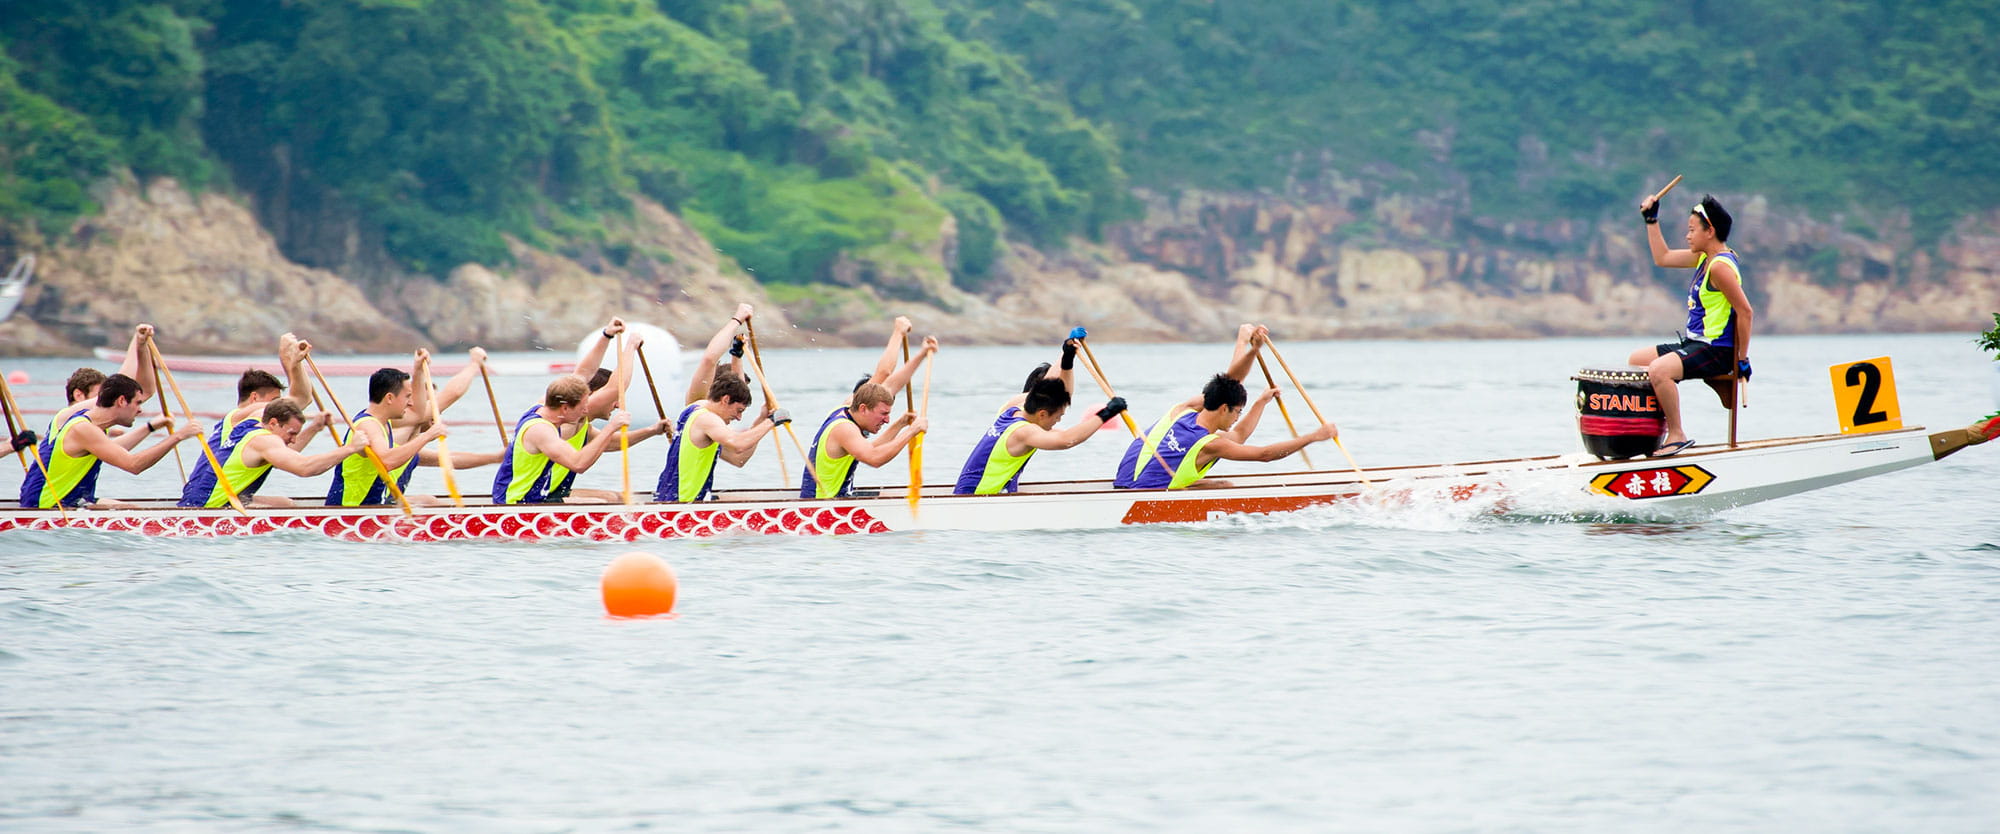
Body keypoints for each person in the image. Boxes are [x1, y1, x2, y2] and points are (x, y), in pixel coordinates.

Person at [1628, 192, 1755, 456]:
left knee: (1659, 370)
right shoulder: (1702, 258)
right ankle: (1650, 434)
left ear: (1710, 231)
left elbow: (1745, 312)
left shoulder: (1720, 266)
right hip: (1696, 344)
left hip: (1716, 349)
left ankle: (1676, 435)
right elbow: (1662, 258)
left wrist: (1742, 359)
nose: (1687, 236)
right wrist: (1651, 220)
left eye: (1691, 230)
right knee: (1637, 360)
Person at [1114, 374, 1337, 490]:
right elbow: (1265, 455)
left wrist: (1261, 402)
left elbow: (1239, 435)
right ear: (1223, 408)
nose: (1238, 417)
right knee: (1225, 489)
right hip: (1142, 494)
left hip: (1121, 483)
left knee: (1224, 485)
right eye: (1238, 412)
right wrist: (1314, 437)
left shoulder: (1181, 410)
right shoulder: (1210, 444)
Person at [798, 317, 936, 499]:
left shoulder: (849, 406)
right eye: (884, 414)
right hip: (820, 509)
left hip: (833, 502)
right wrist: (912, 431)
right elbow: (874, 458)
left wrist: (921, 354)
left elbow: (890, 382)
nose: (886, 420)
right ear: (863, 408)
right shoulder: (845, 428)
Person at [19, 373, 200, 509]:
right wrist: (178, 436)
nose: (140, 410)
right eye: (138, 403)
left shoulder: (92, 423)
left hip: (71, 501)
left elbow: (115, 451)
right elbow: (134, 465)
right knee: (135, 513)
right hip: (47, 505)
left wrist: (150, 427)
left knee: (134, 510)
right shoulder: (83, 428)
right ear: (121, 401)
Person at [543, 326, 674, 502]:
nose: (618, 404)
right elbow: (615, 386)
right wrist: (630, 346)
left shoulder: (581, 425)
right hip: (536, 498)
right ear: (590, 395)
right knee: (610, 500)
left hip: (552, 491)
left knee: (617, 498)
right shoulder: (567, 421)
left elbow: (611, 442)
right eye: (614, 399)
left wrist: (652, 430)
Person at [954, 376, 1126, 495]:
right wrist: (1106, 413)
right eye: (1058, 417)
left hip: (975, 495)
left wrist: (1067, 357)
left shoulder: (1012, 411)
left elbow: (1059, 390)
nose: (1058, 421)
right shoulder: (1024, 432)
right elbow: (1066, 440)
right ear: (1042, 414)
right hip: (974, 499)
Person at [179, 399, 364, 508]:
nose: (292, 440)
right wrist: (350, 448)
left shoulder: (251, 422)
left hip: (200, 498)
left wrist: (315, 426)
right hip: (208, 508)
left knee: (287, 504)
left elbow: (286, 453)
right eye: (291, 433)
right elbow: (305, 468)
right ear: (274, 423)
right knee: (289, 509)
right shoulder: (265, 441)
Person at [323, 355, 448, 507]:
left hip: (370, 509)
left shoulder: (384, 422)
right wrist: (428, 435)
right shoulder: (368, 425)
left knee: (429, 501)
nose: (410, 403)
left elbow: (418, 413)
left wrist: (418, 371)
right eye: (407, 397)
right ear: (389, 398)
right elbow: (387, 461)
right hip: (349, 511)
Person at [491, 375, 630, 504]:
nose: (586, 411)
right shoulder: (540, 430)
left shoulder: (541, 409)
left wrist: (629, 347)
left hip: (533, 499)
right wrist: (611, 428)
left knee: (614, 499)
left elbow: (585, 370)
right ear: (565, 408)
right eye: (582, 407)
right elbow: (579, 464)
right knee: (602, 504)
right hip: (517, 504)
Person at [657, 368, 786, 502]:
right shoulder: (708, 419)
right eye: (739, 410)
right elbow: (739, 445)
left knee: (747, 499)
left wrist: (762, 419)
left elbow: (738, 459)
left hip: (668, 497)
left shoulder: (696, 407)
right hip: (682, 506)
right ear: (725, 399)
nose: (739, 417)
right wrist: (771, 422)